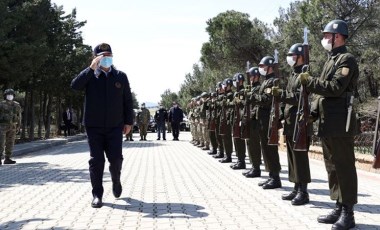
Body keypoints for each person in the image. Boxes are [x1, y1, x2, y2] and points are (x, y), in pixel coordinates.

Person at [298, 19, 359, 229]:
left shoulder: (347, 59)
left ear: (338, 36)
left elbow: (334, 88)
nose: (324, 39)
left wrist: (310, 81)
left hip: (341, 122)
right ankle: (339, 205)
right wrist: (312, 114)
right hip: (327, 122)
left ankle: (348, 213)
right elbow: (321, 96)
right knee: (332, 167)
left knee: (344, 167)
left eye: (327, 36)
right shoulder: (330, 60)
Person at [71, 43, 134, 208]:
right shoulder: (90, 76)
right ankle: (97, 194)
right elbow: (75, 86)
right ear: (96, 58)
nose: (106, 59)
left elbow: (127, 101)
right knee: (96, 161)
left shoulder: (121, 76)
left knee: (116, 159)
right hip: (94, 126)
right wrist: (90, 69)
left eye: (109, 55)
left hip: (115, 126)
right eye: (102, 56)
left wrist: (129, 122)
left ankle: (116, 180)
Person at [273, 43, 311, 205]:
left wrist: (281, 94)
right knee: (292, 157)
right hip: (290, 121)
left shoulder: (305, 74)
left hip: (300, 122)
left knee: (300, 157)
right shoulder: (294, 74)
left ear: (301, 57)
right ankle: (296, 187)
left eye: (293, 56)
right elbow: (288, 100)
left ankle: (303, 191)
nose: (290, 58)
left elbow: (299, 98)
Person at [251, 56, 282, 189]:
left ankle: (276, 178)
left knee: (271, 149)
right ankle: (271, 175)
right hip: (262, 119)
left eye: (263, 67)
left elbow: (266, 99)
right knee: (265, 148)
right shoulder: (266, 82)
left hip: (269, 119)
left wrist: (254, 97)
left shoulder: (273, 81)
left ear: (269, 67)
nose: (261, 69)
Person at [242, 67, 262, 178]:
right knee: (249, 144)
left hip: (254, 120)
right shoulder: (250, 89)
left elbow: (257, 103)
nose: (250, 79)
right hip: (249, 120)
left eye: (251, 77)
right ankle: (253, 166)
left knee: (254, 145)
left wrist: (251, 115)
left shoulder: (258, 88)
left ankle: (257, 168)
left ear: (256, 77)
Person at [0, 89, 21, 165]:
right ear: (5, 96)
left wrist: (18, 126)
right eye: (8, 94)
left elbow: (19, 116)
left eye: (11, 94)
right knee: (1, 142)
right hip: (2, 126)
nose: (10, 96)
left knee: (10, 142)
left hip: (13, 126)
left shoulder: (17, 105)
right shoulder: (1, 104)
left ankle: (7, 158)